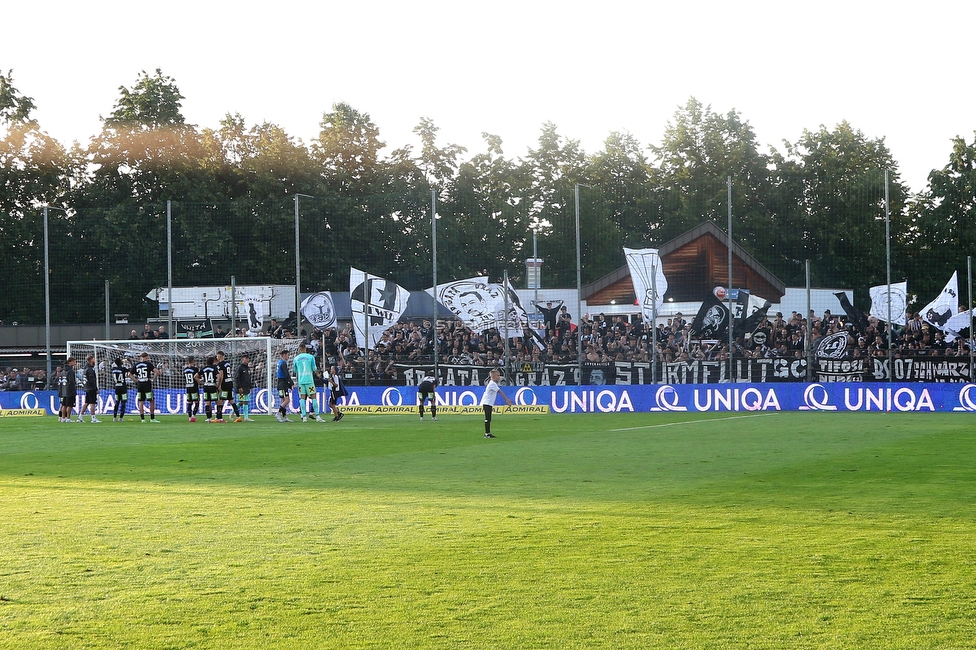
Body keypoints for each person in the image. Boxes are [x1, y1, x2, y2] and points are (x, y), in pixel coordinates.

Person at [293, 343, 325, 422]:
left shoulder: (296, 358)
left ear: (300, 349)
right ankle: (317, 416)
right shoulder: (310, 357)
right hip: (309, 381)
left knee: (302, 399)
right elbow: (314, 368)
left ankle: (304, 417)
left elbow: (295, 370)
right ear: (305, 348)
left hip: (301, 381)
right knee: (313, 398)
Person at [480, 368, 512, 439]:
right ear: (493, 376)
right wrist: (507, 400)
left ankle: (488, 433)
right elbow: (500, 391)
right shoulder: (492, 384)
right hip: (487, 403)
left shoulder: (493, 383)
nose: (499, 377)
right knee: (487, 418)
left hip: (488, 403)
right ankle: (487, 433)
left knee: (488, 418)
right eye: (498, 375)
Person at [130, 352, 160, 423]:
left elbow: (129, 374)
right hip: (147, 383)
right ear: (145, 357)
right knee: (151, 401)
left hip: (140, 384)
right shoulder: (148, 364)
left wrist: (135, 380)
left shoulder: (136, 365)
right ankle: (152, 418)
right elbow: (157, 372)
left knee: (141, 401)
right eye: (147, 357)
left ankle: (142, 419)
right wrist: (153, 379)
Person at [214, 351, 239, 422]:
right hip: (230, 383)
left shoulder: (220, 364)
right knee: (231, 400)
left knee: (220, 400)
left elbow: (221, 377)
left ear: (220, 356)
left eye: (217, 356)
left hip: (224, 384)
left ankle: (219, 418)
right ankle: (238, 416)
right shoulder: (228, 363)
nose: (217, 357)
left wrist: (219, 385)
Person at [234, 353, 255, 422]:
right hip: (241, 389)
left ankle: (246, 417)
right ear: (243, 359)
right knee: (241, 402)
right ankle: (232, 412)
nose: (248, 360)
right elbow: (236, 378)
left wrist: (251, 387)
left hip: (246, 389)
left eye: (248, 358)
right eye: (246, 358)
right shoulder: (240, 368)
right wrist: (239, 387)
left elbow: (249, 379)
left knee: (245, 402)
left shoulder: (247, 368)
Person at [274, 349, 293, 423]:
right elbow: (286, 374)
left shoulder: (279, 362)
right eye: (287, 354)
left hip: (279, 383)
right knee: (287, 400)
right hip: (283, 384)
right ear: (284, 355)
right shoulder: (283, 363)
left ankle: (284, 417)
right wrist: (291, 383)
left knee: (283, 401)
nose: (288, 356)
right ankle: (278, 413)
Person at [200, 356, 221, 423]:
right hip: (212, 386)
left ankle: (209, 418)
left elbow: (195, 376)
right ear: (212, 362)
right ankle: (219, 417)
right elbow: (219, 377)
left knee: (207, 403)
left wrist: (201, 382)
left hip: (206, 387)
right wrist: (218, 385)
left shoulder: (204, 368)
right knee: (217, 402)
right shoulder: (214, 368)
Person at [58, 357, 78, 423]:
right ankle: (68, 418)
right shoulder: (70, 371)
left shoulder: (63, 371)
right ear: (70, 362)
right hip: (69, 391)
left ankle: (63, 418)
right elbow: (71, 382)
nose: (75, 363)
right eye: (74, 361)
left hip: (64, 390)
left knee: (64, 405)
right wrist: (73, 390)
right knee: (69, 405)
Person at [82, 355, 101, 423]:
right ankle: (93, 418)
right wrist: (96, 389)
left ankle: (80, 417)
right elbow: (92, 380)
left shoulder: (85, 368)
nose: (95, 360)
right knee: (92, 403)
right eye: (94, 359)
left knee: (86, 403)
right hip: (91, 388)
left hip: (87, 387)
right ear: (91, 360)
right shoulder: (90, 369)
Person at [183, 356, 201, 422]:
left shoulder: (185, 370)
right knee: (197, 402)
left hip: (188, 388)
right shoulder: (195, 369)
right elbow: (198, 376)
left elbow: (184, 378)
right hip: (194, 387)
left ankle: (189, 417)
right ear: (193, 361)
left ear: (188, 362)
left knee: (189, 402)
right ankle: (193, 415)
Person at [111, 357, 129, 421]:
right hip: (123, 388)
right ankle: (121, 417)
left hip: (116, 388)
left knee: (117, 402)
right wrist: (128, 362)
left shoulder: (113, 369)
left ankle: (114, 417)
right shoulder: (123, 369)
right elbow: (130, 370)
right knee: (123, 402)